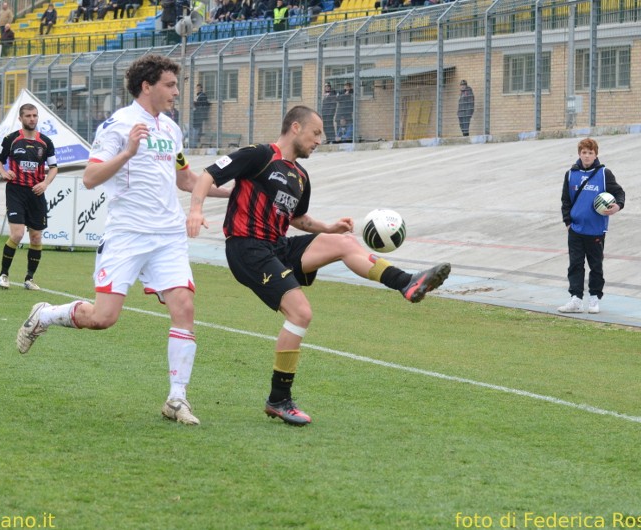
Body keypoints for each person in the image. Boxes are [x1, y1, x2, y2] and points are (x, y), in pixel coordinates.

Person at [186, 105, 451, 426]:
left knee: (344, 243)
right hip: (247, 248)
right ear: (295, 128)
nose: (319, 140)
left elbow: (297, 219)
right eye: (315, 133)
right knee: (301, 313)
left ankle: (406, 282)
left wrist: (328, 227)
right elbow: (208, 175)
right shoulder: (259, 155)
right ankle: (279, 399)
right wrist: (196, 210)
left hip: (277, 246)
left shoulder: (300, 177)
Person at [15, 54, 230, 426]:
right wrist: (128, 152)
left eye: (176, 85)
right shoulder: (117, 126)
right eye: (170, 85)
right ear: (147, 87)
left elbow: (185, 180)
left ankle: (176, 399)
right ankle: (45, 315)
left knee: (185, 307)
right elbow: (90, 177)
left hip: (167, 235)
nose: (177, 92)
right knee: (103, 318)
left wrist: (237, 193)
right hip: (127, 234)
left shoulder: (171, 129)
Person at [0, 104, 58, 292]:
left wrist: (45, 183)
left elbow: (54, 167)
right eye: (28, 116)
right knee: (18, 234)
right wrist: (4, 172)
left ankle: (29, 278)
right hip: (15, 191)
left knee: (36, 237)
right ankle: (3, 274)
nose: (32, 119)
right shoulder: (11, 139)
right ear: (20, 118)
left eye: (35, 115)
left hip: (36, 193)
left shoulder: (46, 142)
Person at [558, 137, 625, 315]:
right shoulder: (571, 174)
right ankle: (576, 299)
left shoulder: (604, 174)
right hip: (576, 230)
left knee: (596, 266)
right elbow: (566, 200)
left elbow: (619, 193)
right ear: (579, 154)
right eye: (584, 153)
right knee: (575, 265)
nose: (587, 156)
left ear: (596, 154)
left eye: (590, 153)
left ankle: (594, 298)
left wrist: (617, 205)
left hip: (595, 229)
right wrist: (568, 222)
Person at [191, 83, 210, 147]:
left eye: (199, 88)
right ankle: (193, 144)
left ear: (201, 88)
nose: (197, 89)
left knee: (196, 130)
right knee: (193, 130)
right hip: (196, 115)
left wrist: (196, 103)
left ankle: (193, 145)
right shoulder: (198, 95)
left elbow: (203, 104)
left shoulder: (203, 95)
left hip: (199, 116)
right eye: (197, 88)